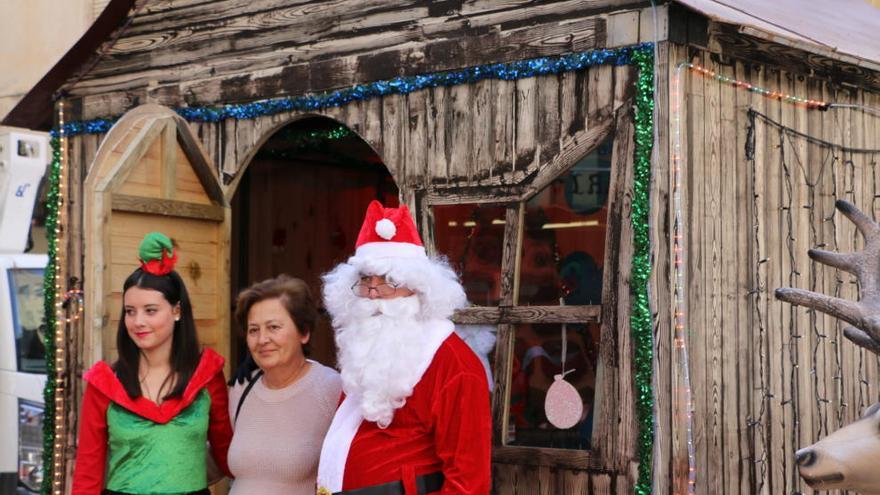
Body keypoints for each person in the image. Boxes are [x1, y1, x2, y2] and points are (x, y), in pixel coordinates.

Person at [317, 200, 491, 495]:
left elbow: (468, 483)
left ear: (419, 286)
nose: (373, 294)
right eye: (364, 281)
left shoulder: (454, 366)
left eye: (388, 281)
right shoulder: (365, 349)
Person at [71, 232, 233, 495]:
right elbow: (87, 472)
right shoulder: (105, 383)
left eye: (150, 310)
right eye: (130, 312)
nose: (138, 322)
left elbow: (231, 455)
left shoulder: (207, 375)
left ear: (177, 311)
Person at [226, 275, 341, 494]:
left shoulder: (331, 388)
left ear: (304, 332)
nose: (262, 339)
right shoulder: (241, 388)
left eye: (273, 327)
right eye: (253, 330)